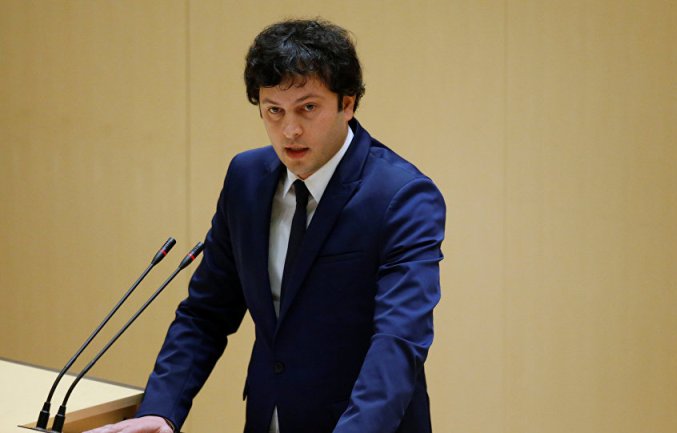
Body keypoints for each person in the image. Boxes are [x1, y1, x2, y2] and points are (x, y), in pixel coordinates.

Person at [85, 18, 445, 433]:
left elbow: (398, 341)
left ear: (347, 104)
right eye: (274, 110)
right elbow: (205, 314)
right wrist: (161, 409)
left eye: (308, 108)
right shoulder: (246, 180)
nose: (290, 130)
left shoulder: (401, 196)